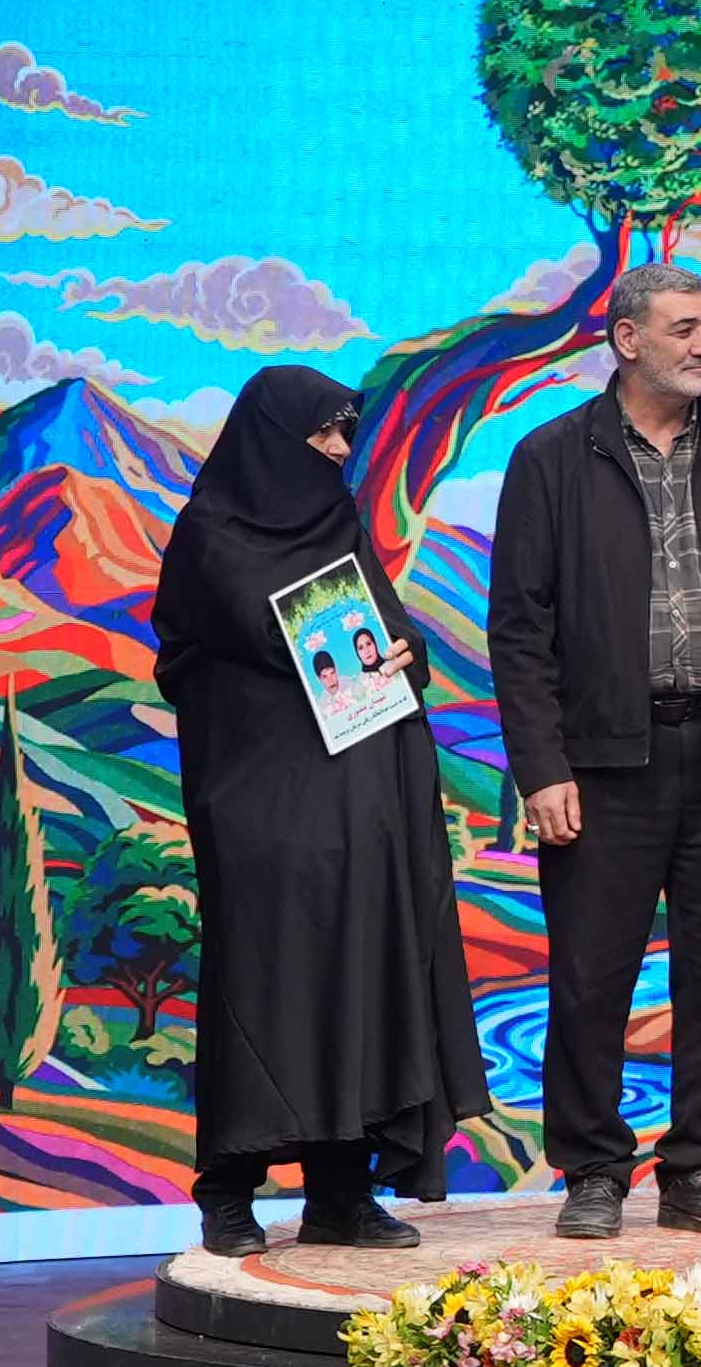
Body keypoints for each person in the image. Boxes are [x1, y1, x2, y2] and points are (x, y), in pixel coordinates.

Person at [489, 264, 701, 1241]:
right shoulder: (551, 459)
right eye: (685, 329)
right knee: (591, 977)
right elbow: (519, 630)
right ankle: (593, 1171)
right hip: (603, 769)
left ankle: (700, 1170)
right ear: (627, 339)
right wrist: (542, 766)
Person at [155, 367, 492, 1258]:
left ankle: (341, 1193)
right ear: (274, 437)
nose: (341, 451)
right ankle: (227, 1189)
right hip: (262, 802)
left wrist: (404, 650)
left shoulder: (336, 525)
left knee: (358, 977)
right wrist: (345, 649)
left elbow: (380, 636)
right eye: (324, 434)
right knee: (266, 981)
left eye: (347, 433)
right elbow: (266, 640)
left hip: (358, 798)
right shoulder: (211, 534)